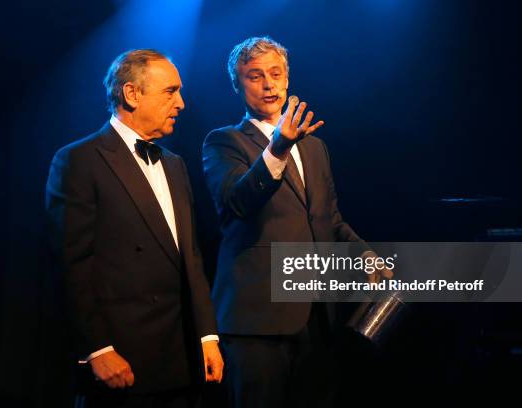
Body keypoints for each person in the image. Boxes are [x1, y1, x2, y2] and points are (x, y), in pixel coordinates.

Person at [202, 36, 392, 407]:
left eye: (275, 74)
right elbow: (237, 203)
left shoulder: (315, 147)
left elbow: (329, 219)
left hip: (318, 317)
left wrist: (364, 253)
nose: (268, 84)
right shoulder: (223, 142)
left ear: (288, 79)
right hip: (257, 323)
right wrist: (277, 148)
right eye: (255, 76)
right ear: (237, 85)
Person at [46, 49, 223, 408]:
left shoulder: (175, 165)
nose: (182, 103)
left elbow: (191, 258)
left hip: (183, 358)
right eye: (170, 92)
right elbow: (71, 264)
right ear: (131, 94)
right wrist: (97, 348)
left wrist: (207, 336)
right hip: (122, 361)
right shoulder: (79, 160)